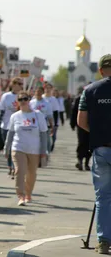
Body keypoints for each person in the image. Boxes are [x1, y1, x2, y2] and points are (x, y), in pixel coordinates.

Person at [77, 54, 111, 254]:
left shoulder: (89, 90)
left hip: (101, 148)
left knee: (103, 197)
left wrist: (98, 133)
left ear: (100, 70)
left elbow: (82, 121)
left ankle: (104, 241)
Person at [5, 91, 48, 206]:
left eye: (25, 99)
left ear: (29, 100)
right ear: (17, 102)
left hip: (34, 149)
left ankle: (28, 194)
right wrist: (6, 148)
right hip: (18, 147)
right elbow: (10, 133)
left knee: (31, 173)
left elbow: (44, 134)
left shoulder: (38, 115)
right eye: (20, 100)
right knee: (20, 170)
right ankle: (21, 195)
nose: (23, 101)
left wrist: (44, 151)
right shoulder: (15, 116)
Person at [0, 77, 23, 177]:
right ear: (13, 84)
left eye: (21, 84)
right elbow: (1, 112)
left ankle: (14, 166)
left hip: (19, 127)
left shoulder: (23, 97)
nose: (20, 86)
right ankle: (10, 166)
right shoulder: (6, 96)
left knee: (16, 147)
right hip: (6, 126)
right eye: (18, 83)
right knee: (9, 148)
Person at [70, 86, 91, 171]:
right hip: (81, 125)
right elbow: (74, 112)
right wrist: (73, 123)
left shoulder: (94, 97)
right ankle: (80, 161)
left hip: (91, 125)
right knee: (81, 143)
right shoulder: (79, 99)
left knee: (90, 144)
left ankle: (87, 163)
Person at [29, 87, 54, 156]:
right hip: (33, 125)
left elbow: (49, 116)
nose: (38, 93)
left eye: (39, 91)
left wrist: (52, 126)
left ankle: (46, 154)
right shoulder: (31, 102)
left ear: (42, 92)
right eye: (36, 91)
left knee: (45, 141)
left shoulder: (47, 103)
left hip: (44, 125)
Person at [42, 82, 59, 152]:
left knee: (53, 137)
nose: (47, 90)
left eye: (49, 88)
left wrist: (55, 124)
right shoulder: (41, 97)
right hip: (42, 122)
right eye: (46, 88)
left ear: (51, 89)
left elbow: (55, 112)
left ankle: (50, 148)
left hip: (51, 122)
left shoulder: (53, 99)